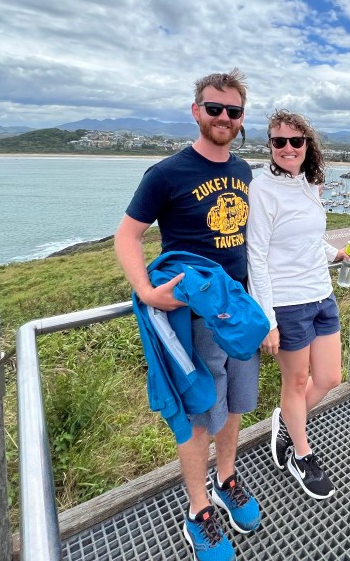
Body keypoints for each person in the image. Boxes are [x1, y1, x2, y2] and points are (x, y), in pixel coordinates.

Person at [114, 68, 260, 561]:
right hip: (194, 319)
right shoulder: (165, 174)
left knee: (235, 403)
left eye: (233, 111)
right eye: (214, 108)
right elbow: (127, 235)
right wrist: (145, 290)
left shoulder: (243, 171)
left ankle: (226, 479)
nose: (223, 117)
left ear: (241, 118)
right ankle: (198, 511)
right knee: (199, 414)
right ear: (196, 111)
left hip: (238, 312)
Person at [246, 109, 350, 500]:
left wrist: (333, 254)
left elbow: (306, 239)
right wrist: (267, 319)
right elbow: (256, 256)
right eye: (279, 141)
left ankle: (286, 421)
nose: (288, 148)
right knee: (294, 381)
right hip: (288, 304)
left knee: (329, 378)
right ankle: (301, 456)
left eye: (296, 140)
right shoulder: (262, 188)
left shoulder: (309, 183)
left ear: (307, 144)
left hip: (322, 294)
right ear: (270, 145)